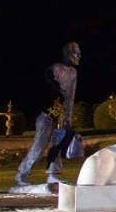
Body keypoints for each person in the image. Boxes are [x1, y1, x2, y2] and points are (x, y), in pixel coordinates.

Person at [12, 42, 81, 194]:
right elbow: (48, 88)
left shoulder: (73, 73)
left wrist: (67, 116)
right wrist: (54, 102)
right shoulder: (54, 68)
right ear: (67, 53)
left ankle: (52, 174)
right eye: (76, 52)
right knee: (39, 146)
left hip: (60, 115)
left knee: (57, 146)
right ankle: (22, 174)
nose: (78, 56)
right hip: (46, 114)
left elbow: (70, 96)